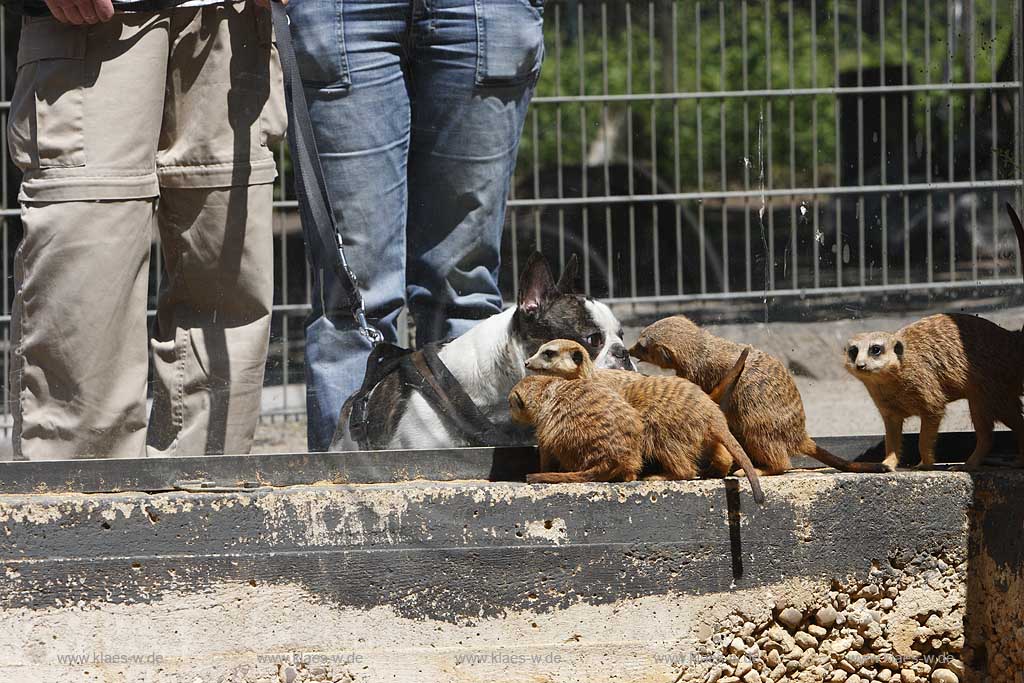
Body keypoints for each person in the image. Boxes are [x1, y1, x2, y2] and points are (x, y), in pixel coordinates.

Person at [7, 0, 286, 459]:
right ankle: (81, 526)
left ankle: (210, 519)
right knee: (85, 310)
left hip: (229, 21)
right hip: (99, 23)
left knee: (227, 303)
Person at [288, 0, 544, 451]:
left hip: (482, 11)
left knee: (463, 293)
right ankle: (343, 509)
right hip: (345, 12)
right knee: (353, 301)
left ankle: (476, 503)